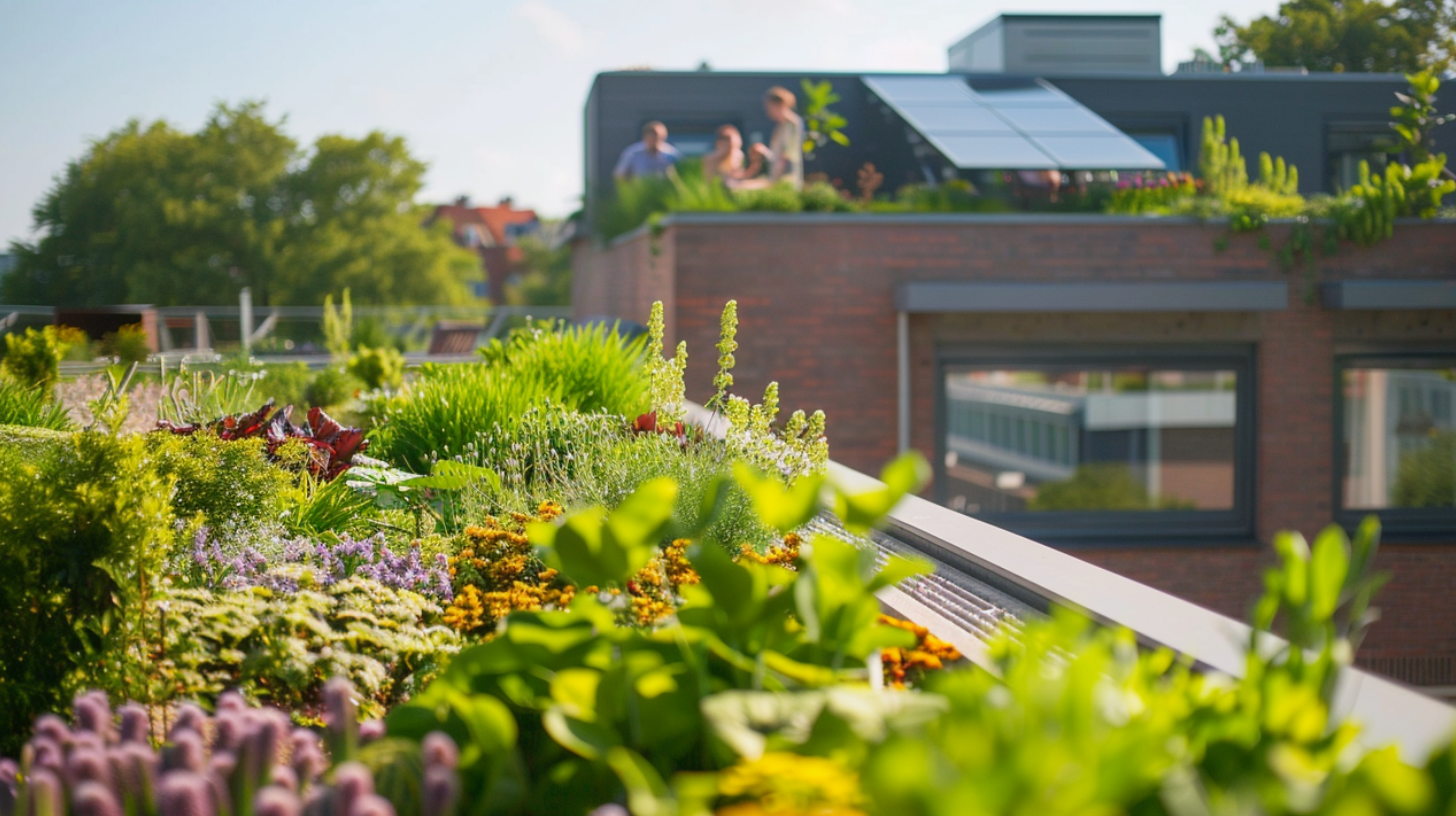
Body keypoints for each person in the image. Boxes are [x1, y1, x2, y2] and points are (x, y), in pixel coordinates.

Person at [750, 87, 804, 189]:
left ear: (778, 105)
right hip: (778, 179)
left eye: (769, 107)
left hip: (787, 181)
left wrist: (776, 179)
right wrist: (764, 152)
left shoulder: (792, 124)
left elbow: (788, 155)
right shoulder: (780, 127)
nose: (768, 111)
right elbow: (776, 156)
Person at [614, 121, 680, 181]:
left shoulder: (671, 154)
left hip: (663, 191)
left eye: (657, 137)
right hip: (640, 190)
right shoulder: (633, 153)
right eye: (651, 136)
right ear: (645, 136)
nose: (653, 140)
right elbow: (620, 175)